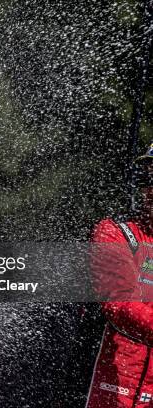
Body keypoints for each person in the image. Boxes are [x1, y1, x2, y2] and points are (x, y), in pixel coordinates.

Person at [87, 146, 153, 408]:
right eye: (148, 179)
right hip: (109, 391)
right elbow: (119, 303)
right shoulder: (116, 234)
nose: (151, 189)